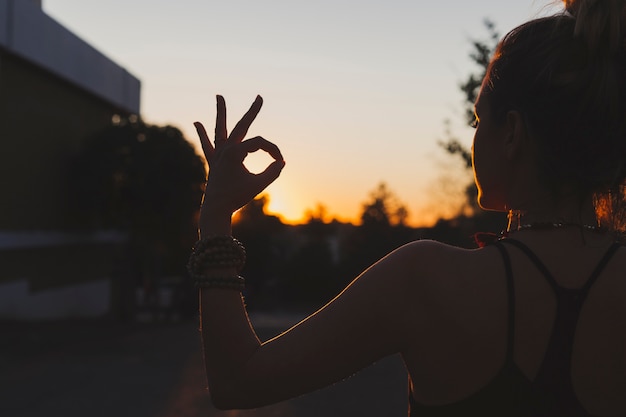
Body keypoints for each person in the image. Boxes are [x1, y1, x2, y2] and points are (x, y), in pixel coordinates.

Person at [188, 0, 626, 414]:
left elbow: (238, 380)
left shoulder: (426, 279)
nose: (474, 137)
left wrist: (215, 217)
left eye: (477, 119)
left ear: (511, 132)